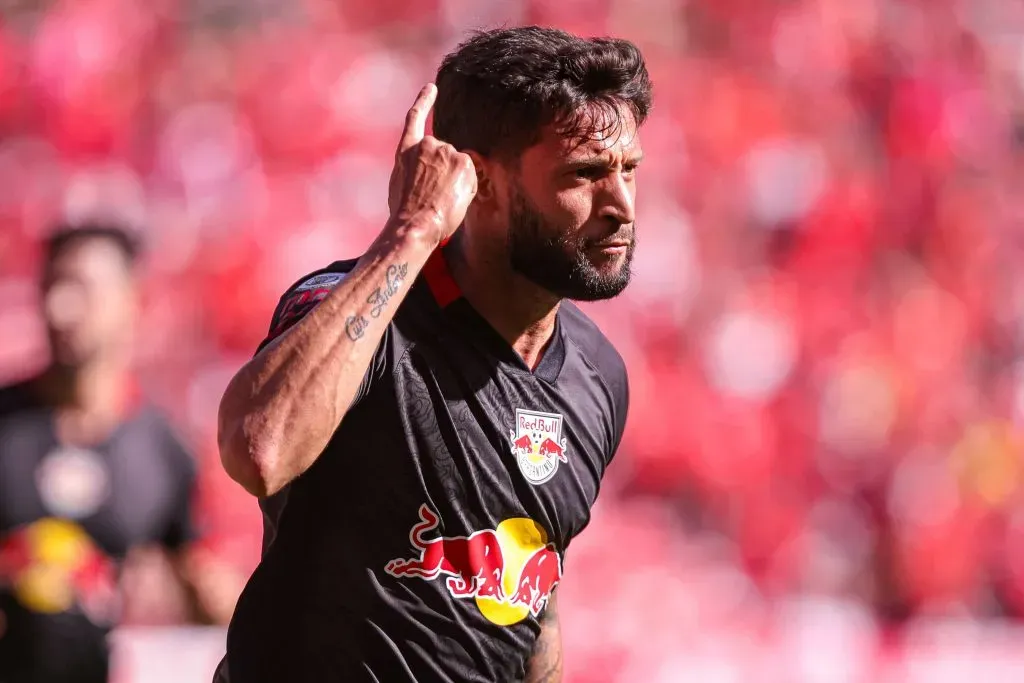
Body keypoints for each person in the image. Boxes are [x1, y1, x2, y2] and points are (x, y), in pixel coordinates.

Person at [215, 26, 650, 683]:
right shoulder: (356, 311)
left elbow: (535, 608)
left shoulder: (598, 374)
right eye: (584, 174)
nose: (619, 205)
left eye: (630, 170)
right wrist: (412, 230)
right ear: (480, 182)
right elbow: (259, 449)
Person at [0, 223, 236, 683]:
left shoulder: (160, 449)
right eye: (52, 286)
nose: (59, 309)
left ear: (133, 302)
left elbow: (206, 590)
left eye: (81, 289)